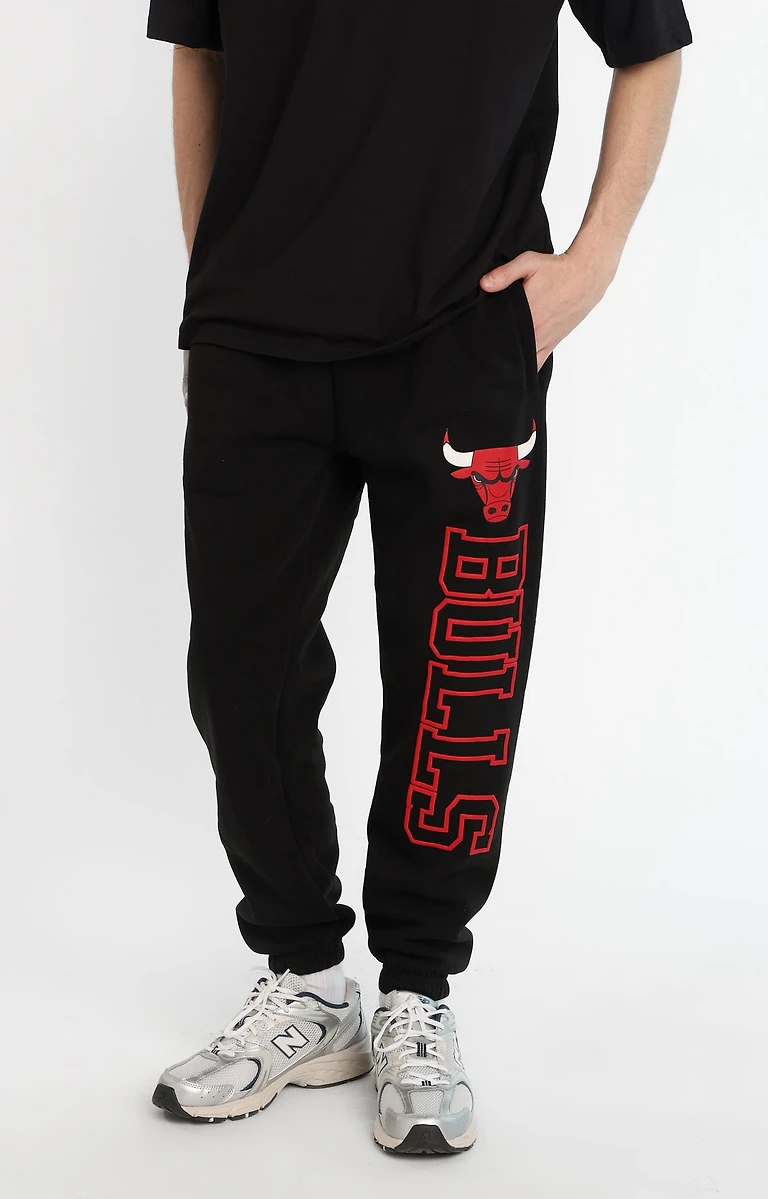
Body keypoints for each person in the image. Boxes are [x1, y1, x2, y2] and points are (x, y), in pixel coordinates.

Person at [145, 0, 691, 1154]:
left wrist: (589, 265)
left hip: (464, 327)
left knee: (458, 681)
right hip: (256, 334)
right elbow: (199, 52)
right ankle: (304, 976)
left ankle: (416, 988)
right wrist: (215, 281)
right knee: (239, 674)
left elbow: (649, 45)